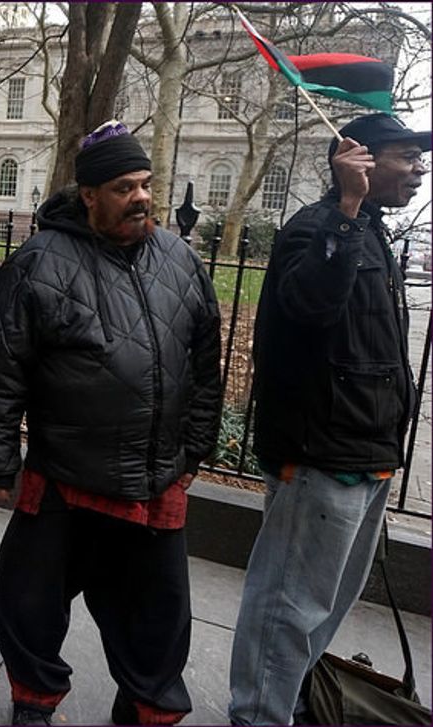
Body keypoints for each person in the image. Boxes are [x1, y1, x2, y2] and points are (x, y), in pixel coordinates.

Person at [0, 121, 223, 726]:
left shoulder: (180, 258)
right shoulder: (38, 263)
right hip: (66, 476)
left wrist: (194, 450)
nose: (140, 197)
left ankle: (145, 703)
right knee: (29, 602)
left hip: (156, 480)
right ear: (88, 194)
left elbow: (205, 362)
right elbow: (0, 368)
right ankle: (33, 698)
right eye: (123, 187)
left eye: (145, 184)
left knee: (158, 616)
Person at [228, 114, 428, 725]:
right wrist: (345, 208)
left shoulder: (370, 235)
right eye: (406, 157)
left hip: (367, 457)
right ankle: (259, 716)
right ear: (359, 161)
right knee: (289, 606)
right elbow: (309, 307)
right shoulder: (320, 229)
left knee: (328, 605)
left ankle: (285, 705)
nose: (419, 170)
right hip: (319, 459)